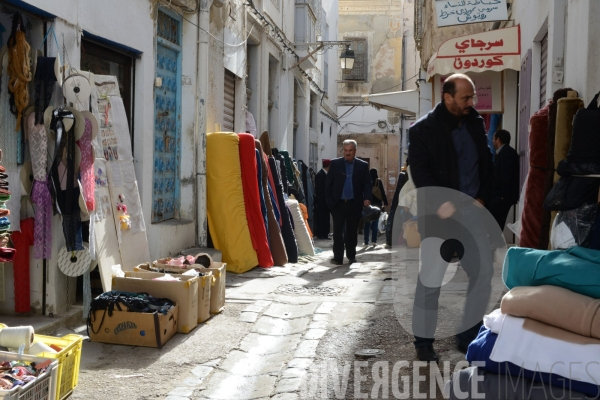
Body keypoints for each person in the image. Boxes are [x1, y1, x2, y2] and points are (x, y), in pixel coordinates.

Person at [409, 73, 495, 362]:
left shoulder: (474, 122)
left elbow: (486, 161)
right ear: (447, 98)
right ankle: (423, 342)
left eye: (472, 97)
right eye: (466, 98)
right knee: (432, 279)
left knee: (483, 273)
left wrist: (483, 196)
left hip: (471, 213)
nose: (472, 102)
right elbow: (420, 173)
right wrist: (441, 202)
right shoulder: (422, 130)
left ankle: (468, 335)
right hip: (439, 215)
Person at [326, 140, 372, 264]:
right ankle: (338, 257)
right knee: (337, 232)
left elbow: (367, 183)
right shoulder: (335, 164)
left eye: (350, 150)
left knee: (352, 232)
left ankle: (351, 256)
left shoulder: (362, 166)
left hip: (354, 203)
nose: (347, 153)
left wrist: (367, 197)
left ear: (355, 151)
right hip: (338, 204)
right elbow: (328, 184)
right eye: (345, 150)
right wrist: (330, 202)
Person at [490, 129, 520, 231]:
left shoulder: (507, 153)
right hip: (501, 196)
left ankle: (496, 243)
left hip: (502, 197)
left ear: (498, 139)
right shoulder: (504, 153)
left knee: (496, 221)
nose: (492, 140)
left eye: (494, 138)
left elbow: (507, 175)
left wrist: (503, 196)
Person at [364, 168, 388, 246]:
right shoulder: (378, 181)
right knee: (375, 223)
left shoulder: (367, 181)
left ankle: (366, 242)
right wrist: (385, 202)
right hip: (377, 205)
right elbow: (383, 192)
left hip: (368, 205)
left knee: (367, 223)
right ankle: (374, 241)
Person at [314, 159, 331, 239]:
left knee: (326, 217)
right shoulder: (320, 175)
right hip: (321, 201)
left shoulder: (326, 175)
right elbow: (319, 190)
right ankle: (321, 234)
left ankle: (325, 233)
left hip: (326, 201)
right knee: (321, 217)